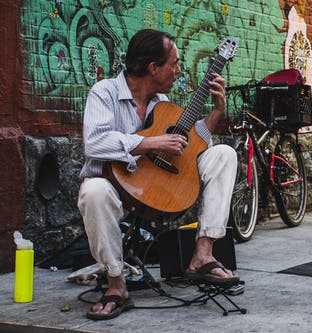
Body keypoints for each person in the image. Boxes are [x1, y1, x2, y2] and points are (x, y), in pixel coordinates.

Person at [77, 29, 238, 320]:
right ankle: (116, 284)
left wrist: (217, 111)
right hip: (118, 188)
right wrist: (150, 143)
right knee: (93, 191)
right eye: (174, 64)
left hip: (161, 184)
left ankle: (202, 254)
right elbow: (95, 143)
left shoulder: (162, 102)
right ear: (153, 68)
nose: (178, 71)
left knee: (224, 154)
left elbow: (193, 140)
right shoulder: (104, 93)